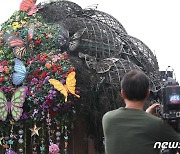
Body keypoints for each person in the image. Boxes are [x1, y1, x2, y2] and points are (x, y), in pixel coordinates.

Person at [102, 70, 180, 154]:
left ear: (122, 94)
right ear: (147, 94)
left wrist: (146, 116)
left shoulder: (107, 119)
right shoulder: (157, 124)